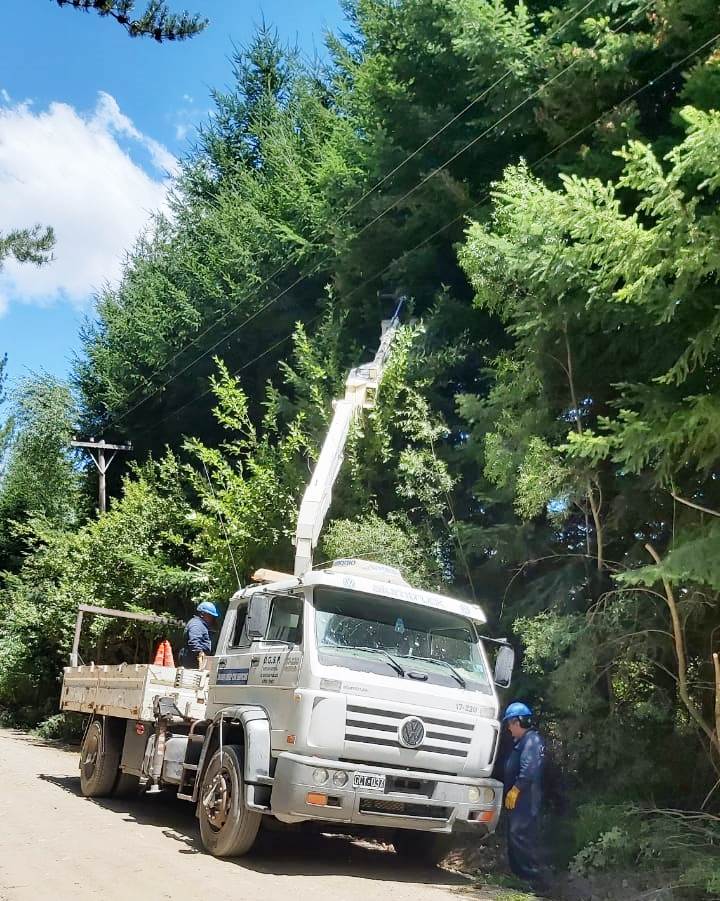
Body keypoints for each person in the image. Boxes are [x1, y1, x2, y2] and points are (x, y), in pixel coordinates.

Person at [502, 701, 550, 895]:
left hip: (526, 799)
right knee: (516, 837)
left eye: (510, 723)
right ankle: (524, 879)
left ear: (519, 722)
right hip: (520, 799)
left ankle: (537, 882)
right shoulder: (522, 742)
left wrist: (516, 789)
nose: (508, 728)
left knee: (522, 838)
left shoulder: (532, 741)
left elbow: (529, 768)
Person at [179, 601, 219, 668]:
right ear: (202, 614)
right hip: (192, 660)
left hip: (196, 659)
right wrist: (200, 654)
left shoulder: (201, 625)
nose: (211, 619)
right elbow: (194, 642)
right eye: (209, 615)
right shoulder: (196, 624)